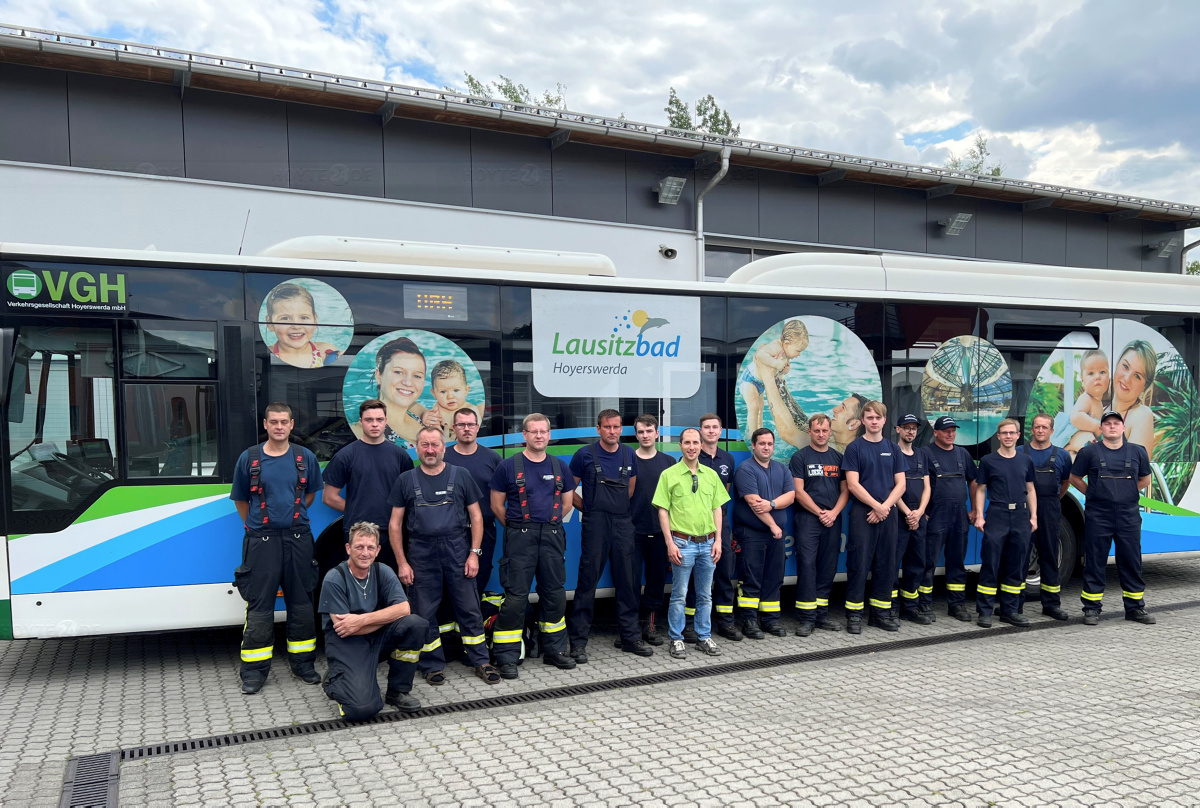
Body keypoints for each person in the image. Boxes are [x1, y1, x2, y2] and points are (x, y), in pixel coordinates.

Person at [387, 427, 500, 686]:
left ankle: (481, 661)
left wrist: (474, 554)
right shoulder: (406, 480)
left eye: (435, 445)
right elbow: (395, 525)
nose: (430, 450)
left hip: (457, 551)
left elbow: (477, 517)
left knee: (470, 610)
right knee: (424, 614)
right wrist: (402, 563)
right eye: (424, 445)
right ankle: (432, 666)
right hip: (421, 555)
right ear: (416, 448)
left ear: (443, 447)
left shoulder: (461, 475)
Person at [231, 403, 324, 694]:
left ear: (292, 424)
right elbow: (241, 500)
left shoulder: (304, 457)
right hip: (262, 543)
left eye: (284, 422)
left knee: (301, 604)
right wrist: (259, 526)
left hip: (298, 540)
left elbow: (309, 496)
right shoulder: (249, 458)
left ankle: (304, 665)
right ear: (266, 424)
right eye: (274, 422)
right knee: (259, 608)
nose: (279, 427)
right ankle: (255, 672)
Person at [489, 413, 577, 678]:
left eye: (543, 431)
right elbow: (496, 505)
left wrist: (545, 525)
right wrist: (520, 527)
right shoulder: (508, 466)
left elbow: (567, 504)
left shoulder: (561, 467)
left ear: (549, 435)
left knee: (555, 595)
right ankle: (506, 656)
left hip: (551, 536)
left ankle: (554, 651)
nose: (539, 436)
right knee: (515, 598)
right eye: (533, 431)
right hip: (519, 538)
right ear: (524, 435)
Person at [318, 521, 429, 720]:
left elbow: (404, 608)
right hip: (348, 645)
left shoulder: (383, 571)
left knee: (415, 624)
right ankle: (336, 679)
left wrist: (361, 620)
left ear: (378, 550)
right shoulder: (335, 578)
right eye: (359, 547)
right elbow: (346, 629)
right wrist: (386, 617)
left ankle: (398, 691)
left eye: (370, 547)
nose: (365, 553)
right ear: (348, 548)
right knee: (362, 710)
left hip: (375, 638)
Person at [568, 410, 649, 661]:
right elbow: (569, 489)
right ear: (598, 429)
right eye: (607, 427)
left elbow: (631, 488)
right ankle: (578, 643)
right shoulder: (584, 455)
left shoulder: (629, 454)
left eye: (616, 427)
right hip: (596, 524)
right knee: (587, 582)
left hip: (623, 523)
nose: (612, 431)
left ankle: (630, 637)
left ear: (621, 429)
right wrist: (588, 510)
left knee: (627, 581)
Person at [1069, 409, 1155, 626]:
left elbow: (1145, 479)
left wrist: (1127, 493)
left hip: (1128, 515)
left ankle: (1135, 608)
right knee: (1095, 562)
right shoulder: (1089, 452)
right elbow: (1074, 477)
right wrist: (1091, 492)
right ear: (1101, 428)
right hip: (1099, 515)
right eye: (1108, 423)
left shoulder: (1138, 452)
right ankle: (1091, 609)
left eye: (1116, 423)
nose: (1112, 426)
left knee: (1131, 561)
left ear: (1123, 428)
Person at [654, 427, 729, 660]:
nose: (692, 447)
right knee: (679, 594)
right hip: (682, 543)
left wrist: (718, 540)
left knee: (705, 594)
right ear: (680, 446)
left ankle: (703, 636)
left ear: (701, 445)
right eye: (687, 443)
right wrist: (669, 543)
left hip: (707, 543)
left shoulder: (711, 475)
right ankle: (676, 639)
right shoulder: (669, 475)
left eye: (695, 442)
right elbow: (663, 510)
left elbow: (717, 508)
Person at [323, 399, 415, 571]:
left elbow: (409, 495)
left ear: (386, 421)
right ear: (361, 422)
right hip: (357, 534)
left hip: (391, 533)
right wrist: (357, 510)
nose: (374, 424)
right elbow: (329, 497)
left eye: (379, 419)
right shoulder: (345, 455)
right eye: (369, 420)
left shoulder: (400, 456)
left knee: (390, 585)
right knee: (358, 586)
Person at [842, 401, 906, 634]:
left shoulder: (894, 448)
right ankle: (855, 616)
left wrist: (885, 507)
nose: (874, 421)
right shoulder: (855, 448)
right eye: (869, 417)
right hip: (863, 513)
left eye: (877, 418)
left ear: (884, 420)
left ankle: (879, 614)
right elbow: (852, 484)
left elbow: (901, 484)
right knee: (858, 564)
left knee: (887, 565)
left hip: (887, 514)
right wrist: (876, 506)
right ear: (863, 421)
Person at [972, 419, 1037, 628]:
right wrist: (980, 515)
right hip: (997, 514)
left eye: (1012, 433)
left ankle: (1010, 610)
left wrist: (1033, 516)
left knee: (1016, 565)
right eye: (1004, 433)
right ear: (998, 436)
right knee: (990, 563)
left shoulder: (1026, 460)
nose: (1008, 436)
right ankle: (985, 612)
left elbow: (1031, 489)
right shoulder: (988, 461)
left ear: (1018, 436)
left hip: (1020, 515)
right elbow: (981, 489)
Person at [789, 413, 849, 635]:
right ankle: (806, 618)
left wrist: (833, 513)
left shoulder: (838, 458)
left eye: (825, 431)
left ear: (830, 431)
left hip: (833, 519)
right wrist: (819, 512)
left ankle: (821, 615)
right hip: (808, 519)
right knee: (807, 566)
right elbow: (798, 491)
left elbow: (846, 490)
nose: (821, 434)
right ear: (809, 431)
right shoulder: (800, 457)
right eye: (817, 430)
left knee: (828, 567)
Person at [733, 428, 795, 639]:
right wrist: (774, 526)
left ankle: (770, 620)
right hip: (752, 534)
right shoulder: (745, 469)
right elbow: (753, 503)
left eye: (769, 444)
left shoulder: (781, 469)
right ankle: (749, 621)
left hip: (775, 536)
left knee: (774, 578)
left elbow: (791, 496)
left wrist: (772, 503)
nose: (766, 447)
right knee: (751, 578)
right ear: (753, 445)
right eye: (762, 444)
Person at [684, 413, 741, 642]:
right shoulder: (693, 457)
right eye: (706, 427)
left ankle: (725, 622)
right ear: (700, 431)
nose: (710, 431)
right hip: (696, 523)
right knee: (694, 575)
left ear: (720, 431)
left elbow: (724, 493)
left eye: (715, 427)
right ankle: (689, 624)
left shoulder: (728, 459)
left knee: (725, 571)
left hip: (720, 521)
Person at [921, 415, 978, 622]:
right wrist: (923, 510)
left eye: (953, 430)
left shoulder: (963, 454)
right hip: (936, 515)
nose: (950, 434)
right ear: (936, 432)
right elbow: (919, 484)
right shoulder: (925, 453)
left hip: (960, 516)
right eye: (946, 430)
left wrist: (974, 510)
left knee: (957, 562)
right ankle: (924, 604)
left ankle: (956, 604)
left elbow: (973, 481)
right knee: (928, 562)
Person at [628, 414, 677, 646]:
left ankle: (650, 625)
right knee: (631, 581)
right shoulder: (628, 460)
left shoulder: (669, 462)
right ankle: (631, 629)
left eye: (649, 431)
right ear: (636, 434)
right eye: (641, 432)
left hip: (660, 533)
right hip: (632, 532)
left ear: (657, 433)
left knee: (656, 581)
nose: (645, 435)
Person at [445, 407, 503, 597]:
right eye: (461, 424)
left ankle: (471, 623)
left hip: (485, 530)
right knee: (450, 580)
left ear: (478, 427)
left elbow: (504, 495)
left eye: (471, 424)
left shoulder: (493, 458)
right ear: (454, 427)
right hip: (450, 531)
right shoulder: (443, 457)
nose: (466, 428)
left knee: (479, 576)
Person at [1020, 412, 1072, 620]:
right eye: (1037, 427)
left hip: (1050, 510)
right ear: (1031, 430)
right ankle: (1014, 604)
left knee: (1050, 556)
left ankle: (1051, 604)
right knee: (1019, 556)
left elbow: (1065, 484)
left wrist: (1049, 502)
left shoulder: (1062, 456)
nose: (1040, 431)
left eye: (1044, 427)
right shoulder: (1019, 452)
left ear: (1051, 430)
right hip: (1022, 511)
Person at [352, 337, 429, 446]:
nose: (408, 383)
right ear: (379, 375)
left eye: (417, 376)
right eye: (398, 372)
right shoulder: (361, 432)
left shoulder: (427, 422)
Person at [740, 319, 810, 436]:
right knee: (754, 407)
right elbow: (760, 354)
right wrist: (776, 364)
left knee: (760, 408)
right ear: (787, 344)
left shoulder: (786, 352)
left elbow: (779, 371)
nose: (799, 354)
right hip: (750, 380)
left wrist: (785, 369)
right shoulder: (775, 346)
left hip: (760, 383)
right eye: (798, 351)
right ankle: (752, 436)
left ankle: (759, 432)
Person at [893, 413, 932, 625]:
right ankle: (890, 609)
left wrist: (919, 512)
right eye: (906, 427)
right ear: (897, 429)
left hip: (918, 516)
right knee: (892, 563)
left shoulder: (921, 454)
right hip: (898, 517)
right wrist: (908, 512)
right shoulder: (892, 452)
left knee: (917, 563)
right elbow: (893, 487)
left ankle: (910, 607)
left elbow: (927, 487)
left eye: (914, 428)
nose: (911, 431)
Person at [264, 282, 340, 368]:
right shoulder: (266, 354)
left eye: (304, 318)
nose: (296, 326)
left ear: (315, 320)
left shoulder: (326, 351)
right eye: (285, 318)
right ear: (269, 323)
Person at [1110, 340, 1158, 458]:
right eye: (1125, 366)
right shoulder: (1096, 410)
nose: (1127, 378)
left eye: (1137, 376)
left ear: (1144, 387)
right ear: (1117, 365)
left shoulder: (1141, 415)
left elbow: (1136, 472)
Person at [1061, 350, 1109, 455]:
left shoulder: (1098, 402)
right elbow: (1075, 416)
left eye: (1102, 372)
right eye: (1091, 373)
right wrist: (1097, 426)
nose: (1097, 377)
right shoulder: (1086, 398)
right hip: (1077, 438)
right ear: (1082, 381)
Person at [424, 360, 481, 441]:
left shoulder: (471, 411)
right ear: (434, 394)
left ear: (466, 390)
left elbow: (475, 435)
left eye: (456, 390)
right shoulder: (437, 409)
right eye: (443, 391)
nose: (450, 396)